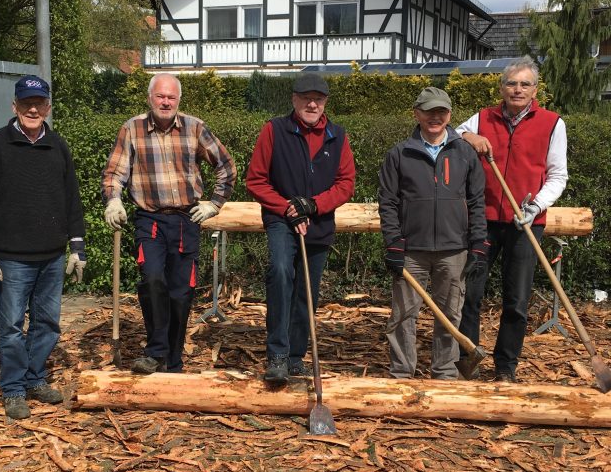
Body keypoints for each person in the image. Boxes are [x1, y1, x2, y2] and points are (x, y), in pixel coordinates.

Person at [102, 74, 236, 375]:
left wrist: (214, 203)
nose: (165, 102)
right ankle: (156, 350)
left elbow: (226, 166)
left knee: (181, 292)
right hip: (149, 219)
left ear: (178, 100)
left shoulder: (195, 128)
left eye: (171, 97)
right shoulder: (132, 128)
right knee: (152, 280)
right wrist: (113, 200)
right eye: (160, 96)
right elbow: (114, 172)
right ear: (150, 98)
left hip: (186, 219)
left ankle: (172, 361)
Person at [0, 75, 86, 419]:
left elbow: (71, 200)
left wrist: (76, 246)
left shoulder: (57, 145)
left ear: (48, 107)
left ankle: (35, 378)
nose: (33, 109)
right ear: (14, 106)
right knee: (10, 327)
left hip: (51, 255)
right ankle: (14, 389)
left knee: (47, 324)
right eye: (25, 103)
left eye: (39, 103)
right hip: (12, 258)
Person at [457, 57, 568, 382]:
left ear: (535, 89)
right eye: (511, 83)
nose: (517, 89)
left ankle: (505, 367)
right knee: (470, 294)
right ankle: (467, 361)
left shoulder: (551, 123)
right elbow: (452, 131)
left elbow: (558, 176)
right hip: (484, 221)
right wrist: (470, 138)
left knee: (516, 300)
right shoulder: (483, 117)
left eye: (524, 84)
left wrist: (536, 207)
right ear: (502, 87)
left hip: (526, 222)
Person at [245, 72, 355, 386]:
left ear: (325, 103)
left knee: (307, 291)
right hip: (281, 219)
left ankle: (296, 358)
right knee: (281, 273)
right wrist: (287, 207)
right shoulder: (274, 130)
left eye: (317, 99)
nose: (311, 103)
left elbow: (346, 184)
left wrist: (314, 205)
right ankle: (277, 357)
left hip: (318, 220)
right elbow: (256, 181)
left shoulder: (337, 135)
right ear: (293, 99)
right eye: (305, 97)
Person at [378, 86, 487, 380]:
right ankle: (402, 372)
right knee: (403, 315)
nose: (434, 117)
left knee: (450, 316)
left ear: (449, 115)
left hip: (454, 249)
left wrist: (478, 244)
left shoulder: (464, 153)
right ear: (417, 113)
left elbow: (477, 201)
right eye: (428, 111)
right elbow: (387, 203)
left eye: (440, 112)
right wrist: (394, 244)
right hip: (411, 250)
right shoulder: (399, 154)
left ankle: (445, 373)